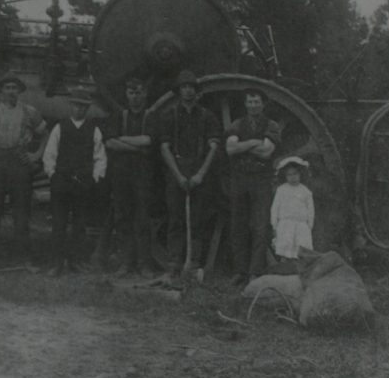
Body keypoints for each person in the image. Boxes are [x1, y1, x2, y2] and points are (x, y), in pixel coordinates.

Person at [158, 69, 221, 282]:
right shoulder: (169, 116)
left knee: (197, 220)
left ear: (196, 91)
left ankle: (193, 264)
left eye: (191, 87)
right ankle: (173, 265)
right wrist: (177, 175)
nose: (187, 91)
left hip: (199, 172)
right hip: (175, 170)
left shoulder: (207, 116)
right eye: (184, 87)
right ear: (178, 91)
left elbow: (213, 147)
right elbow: (164, 148)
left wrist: (200, 174)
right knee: (175, 219)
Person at [0, 73, 46, 261]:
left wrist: (36, 154)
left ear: (19, 91)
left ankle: (22, 255)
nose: (11, 91)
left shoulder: (29, 111)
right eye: (7, 88)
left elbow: (45, 133)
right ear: (1, 91)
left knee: (21, 209)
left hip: (19, 160)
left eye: (14, 88)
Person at [42, 99, 107, 275]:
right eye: (76, 105)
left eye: (83, 106)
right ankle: (56, 263)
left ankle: (76, 261)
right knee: (59, 223)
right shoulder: (60, 127)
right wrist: (53, 175)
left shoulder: (94, 129)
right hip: (61, 182)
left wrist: (94, 178)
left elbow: (100, 156)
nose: (79, 109)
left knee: (79, 224)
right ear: (70, 106)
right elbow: (50, 154)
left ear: (87, 108)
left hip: (83, 183)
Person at [225, 88, 282, 284]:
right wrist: (252, 142)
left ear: (263, 104)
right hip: (239, 179)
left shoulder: (272, 125)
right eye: (249, 102)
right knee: (237, 225)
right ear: (245, 104)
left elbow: (267, 152)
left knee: (260, 225)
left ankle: (255, 272)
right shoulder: (237, 124)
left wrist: (242, 145)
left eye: (256, 102)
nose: (253, 105)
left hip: (261, 180)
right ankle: (239, 271)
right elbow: (230, 149)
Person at [103, 75, 157, 276]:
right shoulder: (119, 115)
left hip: (143, 175)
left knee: (143, 219)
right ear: (126, 94)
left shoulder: (151, 116)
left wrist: (122, 141)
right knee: (123, 218)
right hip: (121, 175)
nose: (135, 97)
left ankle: (144, 264)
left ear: (145, 93)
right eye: (131, 92)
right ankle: (126, 262)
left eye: (139, 92)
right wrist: (136, 146)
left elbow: (149, 140)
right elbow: (109, 142)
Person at [271, 155, 315, 260]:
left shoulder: (305, 191)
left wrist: (309, 225)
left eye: (295, 174)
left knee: (300, 247)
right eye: (289, 175)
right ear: (285, 177)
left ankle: (299, 266)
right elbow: (275, 208)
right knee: (285, 246)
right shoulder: (281, 190)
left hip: (301, 224)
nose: (293, 177)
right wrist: (274, 224)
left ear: (300, 174)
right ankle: (284, 264)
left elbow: (311, 210)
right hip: (286, 223)